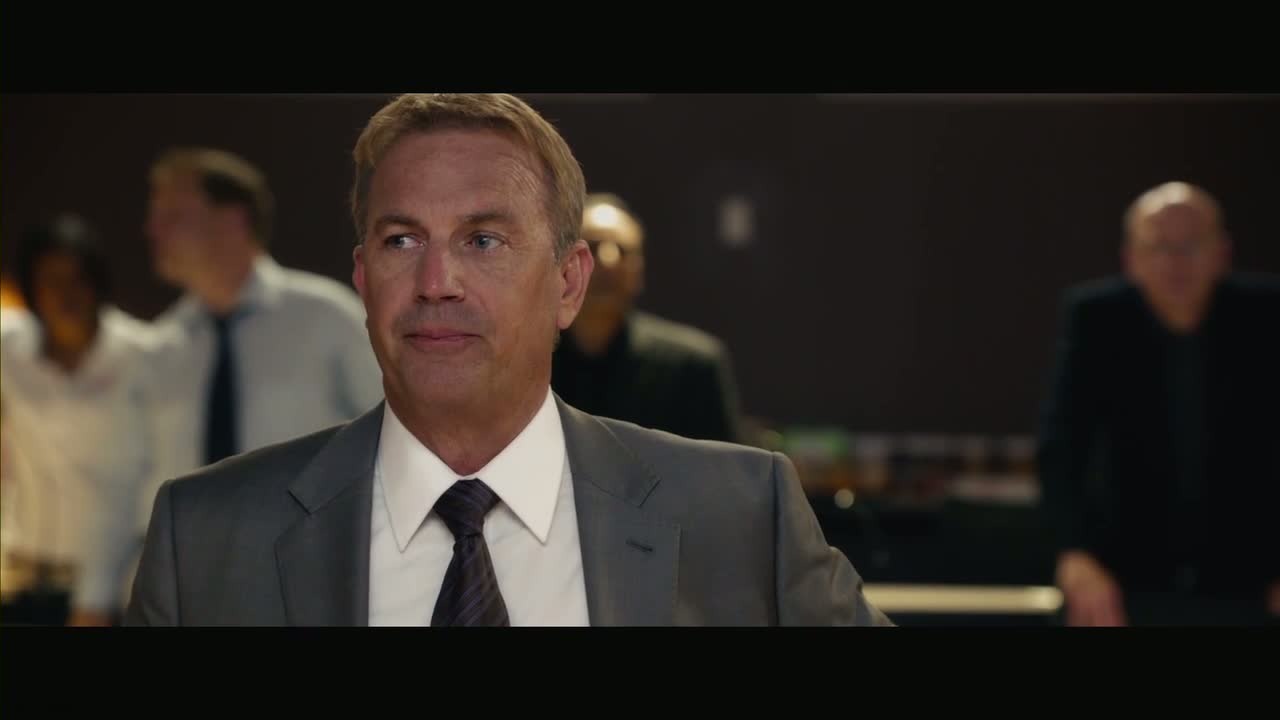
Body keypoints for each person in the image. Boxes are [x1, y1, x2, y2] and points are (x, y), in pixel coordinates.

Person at [124, 93, 890, 626]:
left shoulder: (741, 516)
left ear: (568, 284)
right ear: (363, 280)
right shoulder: (208, 540)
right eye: (402, 241)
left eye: (483, 240)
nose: (436, 282)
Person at [71, 148, 384, 626]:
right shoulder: (159, 352)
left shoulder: (328, 321)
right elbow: (120, 483)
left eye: (172, 215)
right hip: (184, 595)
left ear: (233, 220)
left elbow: (393, 437)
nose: (151, 230)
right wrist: (92, 601)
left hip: (310, 586)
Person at [1038, 181, 1280, 626]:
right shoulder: (1096, 317)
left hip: (1252, 572)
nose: (1175, 262)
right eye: (1158, 246)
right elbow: (1063, 444)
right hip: (1124, 570)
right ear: (1130, 258)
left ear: (1222, 253)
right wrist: (1074, 553)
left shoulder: (1267, 315)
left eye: (1191, 245)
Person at [0, 216, 155, 626]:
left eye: (76, 279)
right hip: (20, 577)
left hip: (104, 587)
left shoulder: (143, 357)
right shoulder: (11, 350)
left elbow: (142, 483)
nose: (64, 294)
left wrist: (98, 593)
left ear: (96, 283)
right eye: (50, 280)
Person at [551, 193, 743, 443]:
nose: (609, 261)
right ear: (565, 264)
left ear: (639, 270)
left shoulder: (693, 367)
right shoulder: (531, 360)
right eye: (594, 247)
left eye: (623, 251)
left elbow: (721, 464)